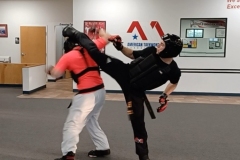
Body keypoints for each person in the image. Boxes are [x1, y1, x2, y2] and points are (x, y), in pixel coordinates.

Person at [62, 26, 183, 160]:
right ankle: (73, 32)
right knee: (95, 52)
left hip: (135, 92)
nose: (158, 45)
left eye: (162, 44)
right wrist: (119, 47)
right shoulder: (151, 51)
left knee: (138, 124)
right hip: (124, 72)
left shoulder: (173, 70)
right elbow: (132, 54)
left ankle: (143, 156)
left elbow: (173, 82)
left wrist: (165, 95)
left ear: (169, 50)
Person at [46, 31, 112, 160]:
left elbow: (56, 74)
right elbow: (106, 38)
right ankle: (103, 147)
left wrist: (49, 69)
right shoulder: (90, 48)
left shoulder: (68, 56)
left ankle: (68, 154)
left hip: (87, 95)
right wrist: (100, 32)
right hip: (100, 92)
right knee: (91, 120)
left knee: (72, 124)